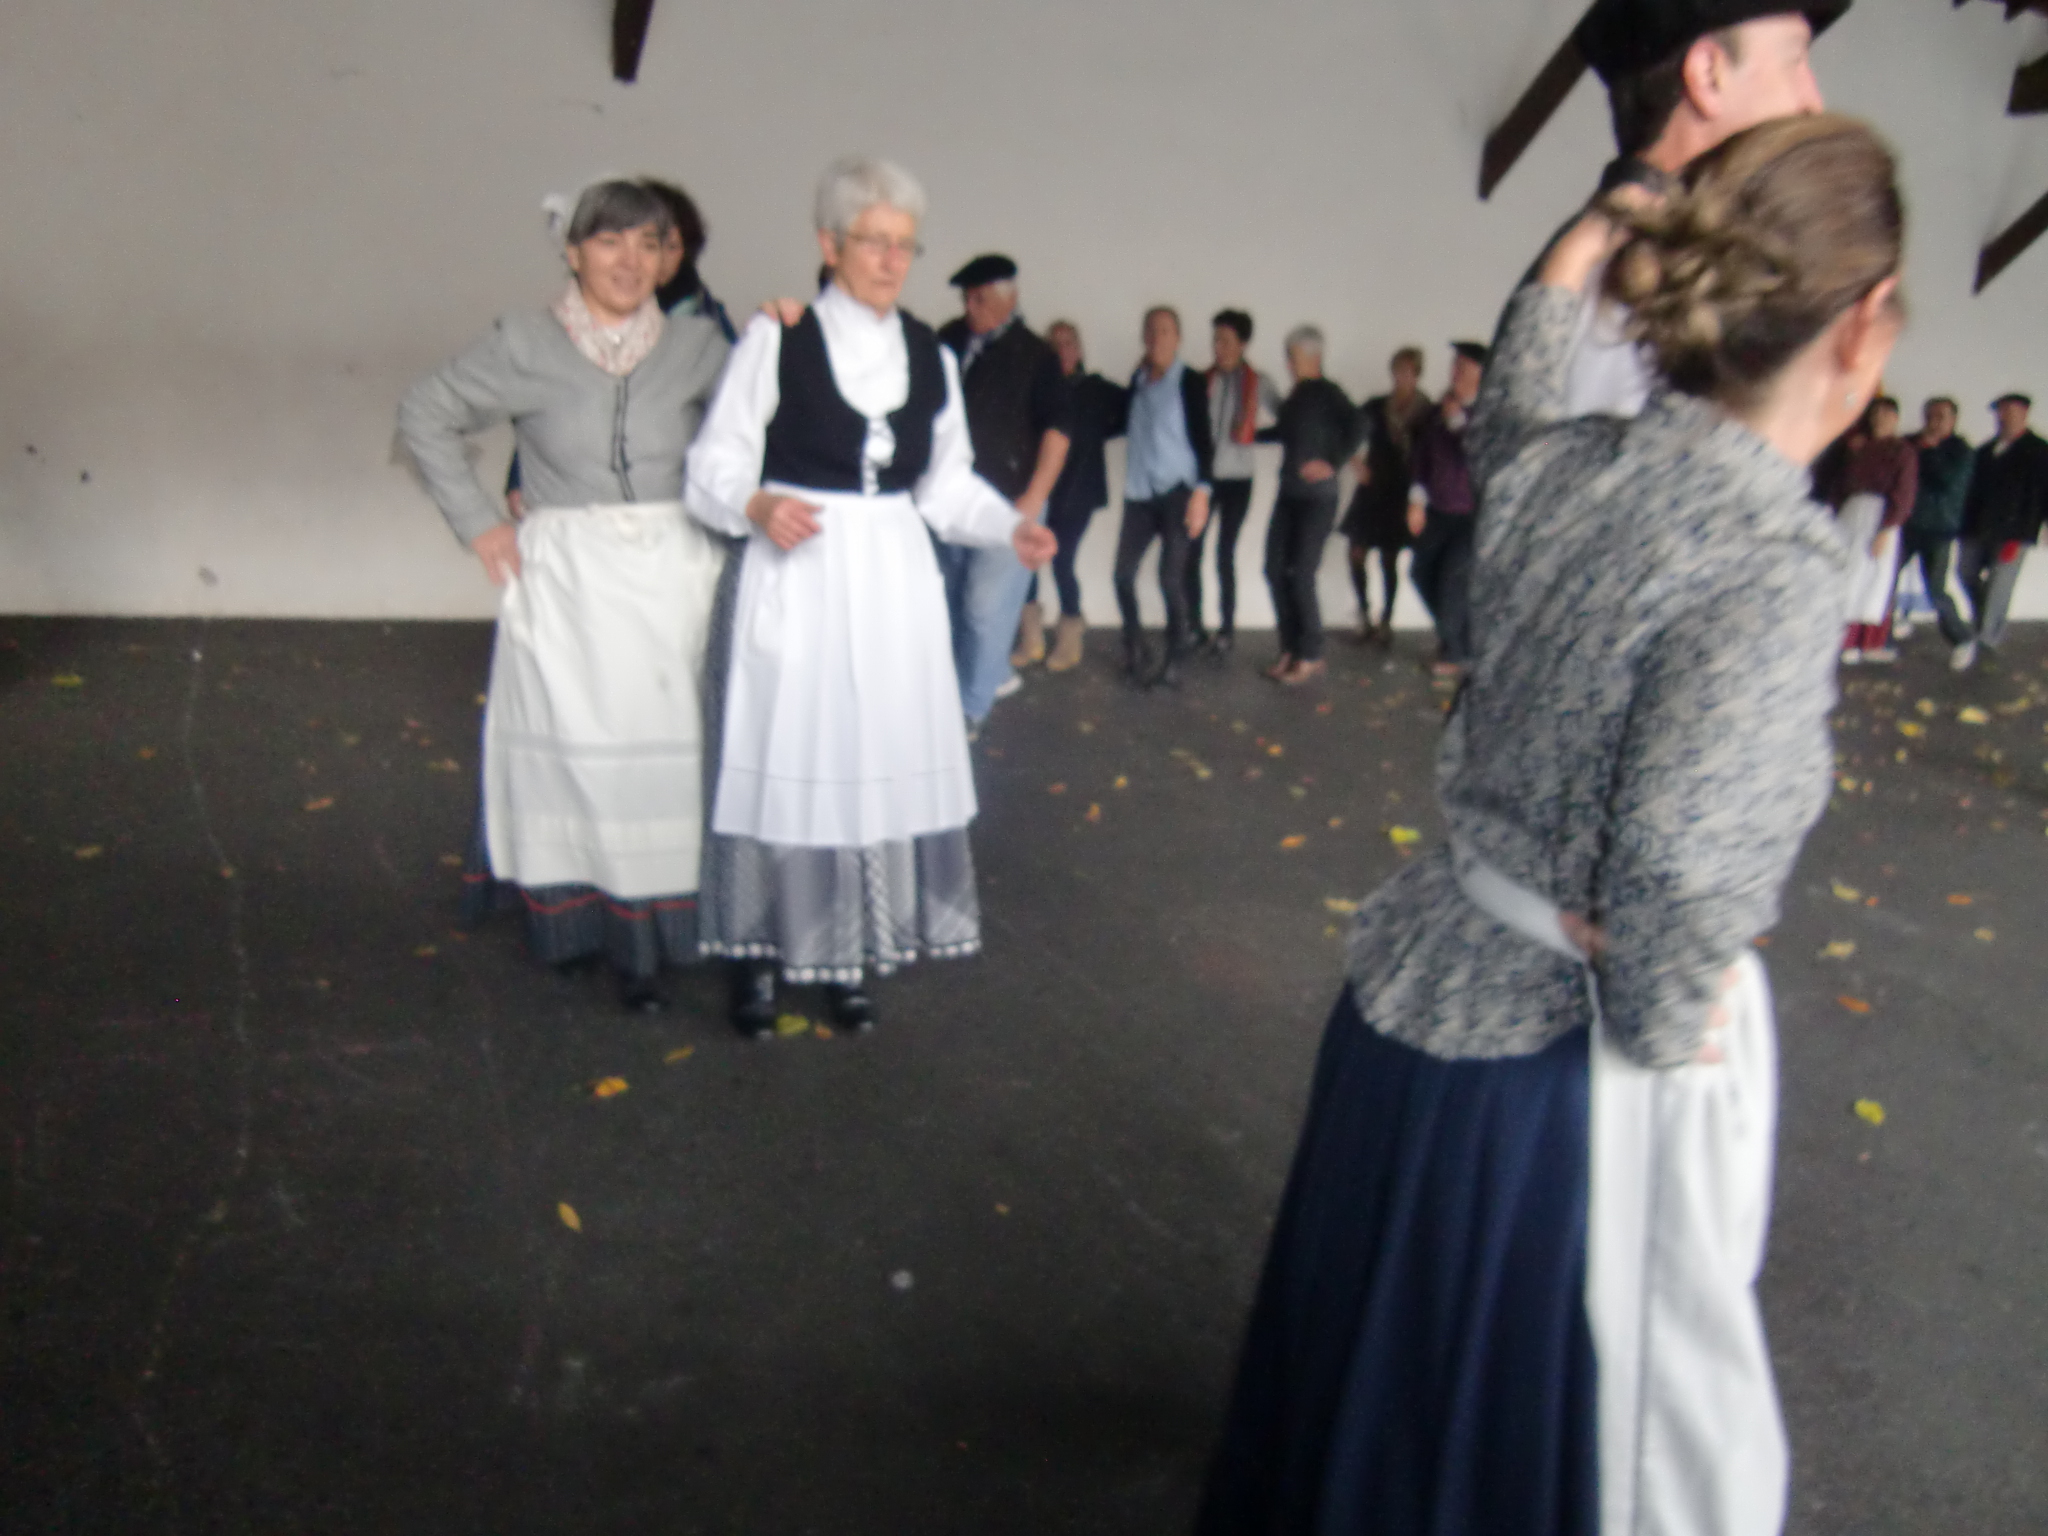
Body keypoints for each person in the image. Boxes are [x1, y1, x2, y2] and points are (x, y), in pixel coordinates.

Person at [1198, 113, 1903, 1536]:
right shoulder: (1769, 564)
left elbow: (1511, 394)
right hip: (1544, 1090)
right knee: (1497, 1446)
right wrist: (1665, 1016)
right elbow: (1679, 868)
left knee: (1364, 1398)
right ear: (1863, 324)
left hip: (1415, 988)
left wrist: (1593, 229)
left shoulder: (1561, 464)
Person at [683, 157, 1055, 1036]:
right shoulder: (778, 339)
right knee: (786, 751)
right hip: (801, 571)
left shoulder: (931, 354)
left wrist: (1008, 527)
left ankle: (841, 950)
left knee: (863, 756)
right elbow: (714, 463)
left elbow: (944, 484)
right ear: (830, 244)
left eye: (904, 245)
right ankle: (758, 954)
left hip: (891, 581)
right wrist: (757, 504)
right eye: (873, 241)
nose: (891, 260)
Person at [396, 179, 732, 1012]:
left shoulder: (699, 346)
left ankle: (664, 933)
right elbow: (425, 412)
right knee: (582, 755)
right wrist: (480, 523)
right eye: (610, 241)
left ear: (669, 259)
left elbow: (748, 438)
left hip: (674, 576)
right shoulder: (526, 342)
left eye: (649, 244)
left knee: (669, 756)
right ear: (573, 252)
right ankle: (588, 930)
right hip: (571, 581)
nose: (630, 260)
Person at [1490, 0, 1847, 423]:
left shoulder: (1648, 257)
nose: (1813, 102)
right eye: (1794, 61)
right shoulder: (1630, 276)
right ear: (1708, 75)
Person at [505, 177, 734, 519]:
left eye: (666, 246)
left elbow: (734, 414)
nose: (646, 258)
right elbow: (551, 403)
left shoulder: (705, 326)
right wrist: (520, 475)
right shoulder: (586, 318)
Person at [932, 255, 1071, 728]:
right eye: (966, 298)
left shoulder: (1036, 355)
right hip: (949, 501)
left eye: (981, 298)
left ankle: (971, 709)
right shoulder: (947, 341)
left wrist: (1032, 501)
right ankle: (956, 697)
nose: (970, 307)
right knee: (949, 604)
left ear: (1010, 299)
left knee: (985, 609)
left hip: (1009, 504)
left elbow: (1058, 432)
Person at [1113, 306, 1215, 690]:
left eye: (1166, 331)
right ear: (1144, 337)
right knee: (1122, 575)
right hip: (1140, 493)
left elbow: (1205, 441)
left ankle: (1176, 656)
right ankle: (1135, 645)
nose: (1158, 338)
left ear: (1178, 338)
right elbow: (1120, 422)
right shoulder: (1138, 381)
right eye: (1152, 331)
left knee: (1170, 579)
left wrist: (1202, 493)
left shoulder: (1189, 381)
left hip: (1179, 493)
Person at [1258, 327, 1361, 686]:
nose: (1288, 363)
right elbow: (1283, 432)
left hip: (1318, 500)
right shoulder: (1297, 396)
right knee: (1274, 569)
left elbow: (1360, 424)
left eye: (1293, 357)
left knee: (1301, 573)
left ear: (1313, 356)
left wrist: (1333, 461)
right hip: (1289, 495)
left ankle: (1312, 653)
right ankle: (1290, 648)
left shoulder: (1328, 392)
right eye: (1288, 356)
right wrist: (1247, 436)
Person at [1036, 320, 1129, 672]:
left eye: (1069, 342)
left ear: (1079, 349)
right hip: (1042, 489)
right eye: (1055, 343)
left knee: (1061, 560)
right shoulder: (1038, 388)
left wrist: (1098, 434)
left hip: (1080, 490)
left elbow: (1132, 410)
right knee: (1025, 562)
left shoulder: (1095, 388)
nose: (1063, 349)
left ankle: (1071, 628)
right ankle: (1031, 634)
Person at [1196, 310, 1283, 654]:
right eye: (1215, 340)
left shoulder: (1258, 382)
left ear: (1243, 344)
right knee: (1191, 551)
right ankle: (1194, 626)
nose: (1218, 347)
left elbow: (1287, 422)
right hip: (1203, 480)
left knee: (1224, 553)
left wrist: (1253, 436)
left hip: (1238, 482)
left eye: (1226, 341)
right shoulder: (1202, 380)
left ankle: (1227, 629)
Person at [1405, 342, 1486, 679]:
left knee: (1453, 579)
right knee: (1421, 572)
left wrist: (1457, 421)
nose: (1455, 374)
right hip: (1439, 510)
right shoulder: (1438, 412)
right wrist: (1416, 500)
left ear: (1481, 375)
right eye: (1455, 366)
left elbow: (1479, 456)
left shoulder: (1488, 414)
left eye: (1463, 369)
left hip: (1472, 516)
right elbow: (1422, 458)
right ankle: (1459, 639)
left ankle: (1456, 652)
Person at [1341, 347, 1431, 643]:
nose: (1400, 376)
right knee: (1356, 551)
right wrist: (1356, 462)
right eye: (1397, 369)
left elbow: (1433, 453)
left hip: (1402, 488)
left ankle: (1387, 620)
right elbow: (1347, 428)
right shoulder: (1376, 406)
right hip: (1373, 486)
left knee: (1389, 557)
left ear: (1417, 374)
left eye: (1407, 370)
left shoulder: (1427, 411)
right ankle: (1364, 613)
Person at [1954, 392, 2048, 669]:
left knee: (1999, 582)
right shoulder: (1985, 451)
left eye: (2009, 411)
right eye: (2000, 411)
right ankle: (1985, 619)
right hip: (1977, 527)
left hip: (2014, 530)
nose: (2003, 416)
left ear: (2024, 414)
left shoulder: (2039, 451)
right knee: (1965, 571)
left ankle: (1987, 639)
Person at [1835, 396, 1916, 664]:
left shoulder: (1902, 451)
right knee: (1847, 575)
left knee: (1874, 580)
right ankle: (1845, 642)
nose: (1880, 419)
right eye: (1876, 414)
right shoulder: (1856, 447)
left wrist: (1887, 528)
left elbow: (1904, 491)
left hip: (1881, 515)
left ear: (1895, 418)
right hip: (1851, 513)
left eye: (1886, 414)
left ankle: (1869, 642)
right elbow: (1839, 483)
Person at [1897, 396, 1973, 661]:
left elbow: (1946, 480)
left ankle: (1961, 639)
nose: (1934, 422)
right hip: (1907, 525)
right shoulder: (1909, 443)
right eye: (1929, 416)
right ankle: (1881, 635)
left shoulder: (1960, 450)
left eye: (1941, 417)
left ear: (1953, 420)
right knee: (1885, 581)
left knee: (1936, 590)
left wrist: (1929, 450)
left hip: (1938, 530)